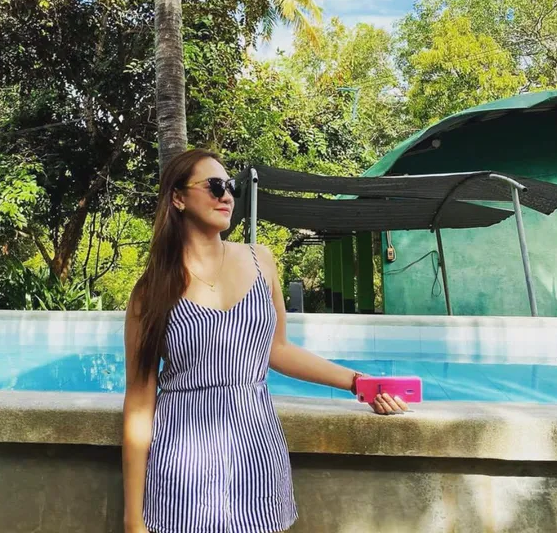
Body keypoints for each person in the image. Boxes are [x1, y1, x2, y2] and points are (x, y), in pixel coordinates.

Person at [122, 149, 408, 533]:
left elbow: (278, 350)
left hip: (256, 451)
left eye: (231, 187)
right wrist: (133, 518)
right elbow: (140, 402)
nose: (226, 195)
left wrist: (359, 383)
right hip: (183, 459)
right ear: (178, 197)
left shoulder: (261, 260)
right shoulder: (150, 292)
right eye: (214, 186)